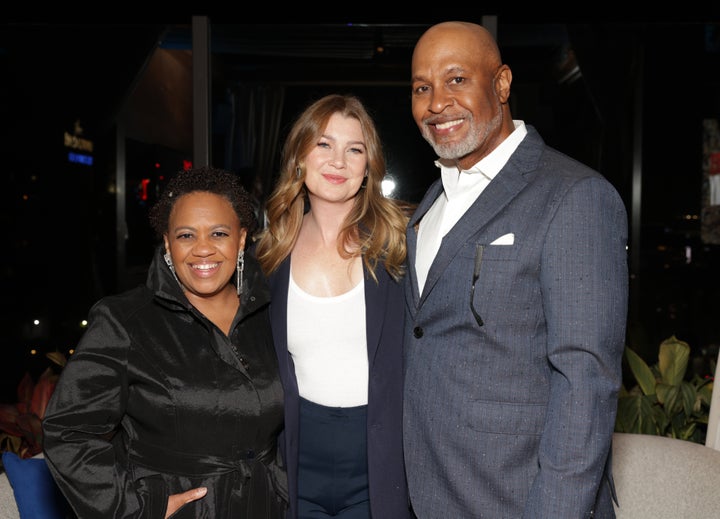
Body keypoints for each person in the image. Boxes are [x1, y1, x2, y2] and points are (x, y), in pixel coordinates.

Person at [403, 21, 629, 518]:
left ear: (501, 84)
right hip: (432, 495)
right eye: (422, 87)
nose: (437, 102)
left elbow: (585, 384)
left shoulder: (574, 195)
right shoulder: (433, 199)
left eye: (456, 79)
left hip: (519, 500)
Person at [42, 166, 288, 518]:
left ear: (242, 238)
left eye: (218, 233)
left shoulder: (273, 314)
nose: (203, 249)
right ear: (168, 243)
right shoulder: (125, 321)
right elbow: (68, 431)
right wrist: (137, 507)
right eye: (187, 235)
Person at [255, 93, 412, 519]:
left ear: (368, 165)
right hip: (295, 459)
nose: (338, 161)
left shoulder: (399, 248)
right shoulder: (269, 254)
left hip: (379, 461)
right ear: (299, 155)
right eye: (324, 144)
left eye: (354, 149)